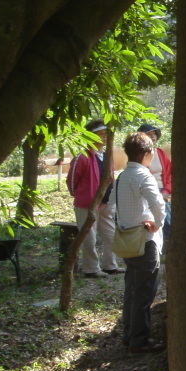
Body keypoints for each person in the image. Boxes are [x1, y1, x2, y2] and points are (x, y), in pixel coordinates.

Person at [114, 132, 166, 354]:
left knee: (132, 289)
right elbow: (159, 205)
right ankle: (139, 340)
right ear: (147, 153)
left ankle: (129, 334)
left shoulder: (123, 176)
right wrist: (158, 223)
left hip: (127, 239)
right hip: (144, 240)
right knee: (144, 292)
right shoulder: (144, 176)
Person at [66, 119, 122, 278]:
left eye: (106, 134)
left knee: (111, 234)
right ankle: (91, 269)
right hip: (88, 204)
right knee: (89, 237)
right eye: (100, 134)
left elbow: (109, 177)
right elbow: (72, 181)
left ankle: (110, 265)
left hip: (106, 203)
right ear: (90, 136)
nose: (104, 138)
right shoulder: (82, 157)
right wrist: (82, 196)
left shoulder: (107, 155)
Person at [137, 123, 172, 243]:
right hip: (147, 190)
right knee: (155, 217)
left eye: (154, 134)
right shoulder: (137, 155)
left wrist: (166, 191)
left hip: (162, 190)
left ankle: (166, 243)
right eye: (149, 134)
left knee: (166, 217)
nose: (152, 137)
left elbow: (169, 173)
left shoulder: (160, 153)